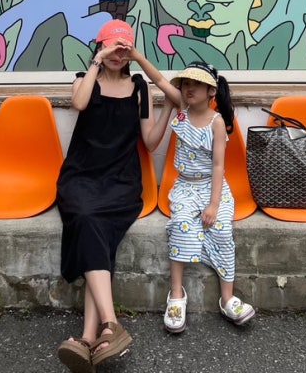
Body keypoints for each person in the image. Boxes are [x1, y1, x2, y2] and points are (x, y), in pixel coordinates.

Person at [55, 19, 171, 373]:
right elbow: (79, 103)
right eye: (112, 49)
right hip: (80, 176)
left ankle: (88, 337)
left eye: (124, 50)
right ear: (100, 47)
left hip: (121, 180)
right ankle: (110, 325)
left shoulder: (139, 88)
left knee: (93, 224)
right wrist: (97, 61)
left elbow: (149, 142)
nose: (118, 56)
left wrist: (168, 109)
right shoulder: (84, 79)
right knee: (89, 218)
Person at [134, 57, 256, 334]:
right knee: (180, 225)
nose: (189, 88)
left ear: (211, 91)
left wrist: (213, 204)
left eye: (197, 84)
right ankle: (176, 294)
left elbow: (218, 166)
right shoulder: (182, 107)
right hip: (184, 188)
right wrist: (138, 57)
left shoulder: (217, 121)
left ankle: (227, 298)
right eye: (186, 83)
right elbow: (159, 80)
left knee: (222, 230)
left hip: (213, 188)